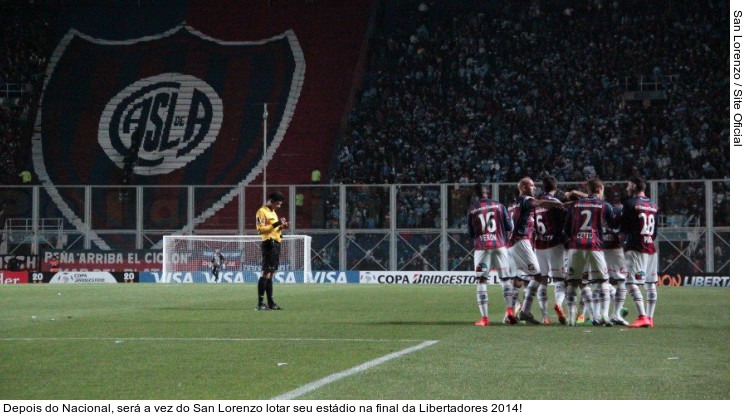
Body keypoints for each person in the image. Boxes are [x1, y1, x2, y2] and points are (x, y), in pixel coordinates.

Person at [508, 177, 563, 325]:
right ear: (524, 187)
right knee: (538, 276)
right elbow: (541, 203)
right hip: (521, 242)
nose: (534, 188)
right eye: (532, 186)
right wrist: (560, 204)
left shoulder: (513, 204)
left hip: (512, 244)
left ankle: (510, 313)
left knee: (518, 279)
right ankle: (525, 311)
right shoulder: (526, 200)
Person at [563, 178, 617, 326]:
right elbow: (614, 225)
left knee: (573, 281)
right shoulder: (604, 205)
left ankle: (572, 317)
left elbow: (566, 230)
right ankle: (605, 316)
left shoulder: (574, 205)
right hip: (595, 246)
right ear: (599, 189)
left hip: (576, 246)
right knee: (603, 281)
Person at [534, 176, 582, 325]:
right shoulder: (556, 204)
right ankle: (559, 304)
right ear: (555, 187)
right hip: (555, 245)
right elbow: (565, 223)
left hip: (539, 245)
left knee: (542, 280)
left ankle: (544, 317)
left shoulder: (536, 202)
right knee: (559, 281)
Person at [467, 183, 512, 326]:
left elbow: (471, 233)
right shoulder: (499, 205)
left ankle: (485, 319)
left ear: (476, 194)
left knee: (481, 281)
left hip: (482, 248)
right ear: (488, 192)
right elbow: (509, 226)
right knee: (505, 279)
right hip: (500, 246)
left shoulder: (473, 208)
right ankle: (510, 310)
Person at [620, 176, 659, 328]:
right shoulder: (654, 205)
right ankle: (650, 317)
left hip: (636, 247)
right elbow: (655, 232)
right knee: (650, 284)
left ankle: (642, 316)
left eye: (629, 185)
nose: (627, 188)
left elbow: (623, 230)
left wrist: (621, 243)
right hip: (651, 248)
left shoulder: (629, 204)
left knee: (630, 283)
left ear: (635, 186)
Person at [255, 191, 289, 310]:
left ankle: (270, 303)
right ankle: (260, 303)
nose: (279, 206)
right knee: (266, 272)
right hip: (269, 243)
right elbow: (260, 230)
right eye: (278, 204)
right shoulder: (262, 211)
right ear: (271, 201)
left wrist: (281, 227)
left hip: (276, 243)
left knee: (271, 273)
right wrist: (277, 224)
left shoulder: (273, 212)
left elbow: (274, 228)